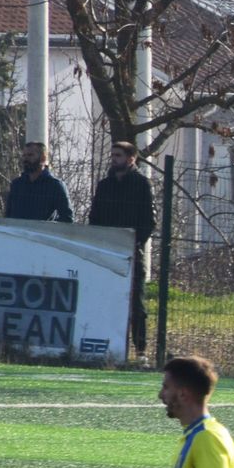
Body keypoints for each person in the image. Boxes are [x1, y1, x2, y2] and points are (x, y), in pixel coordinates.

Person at [88, 140, 157, 359]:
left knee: (136, 304)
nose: (114, 159)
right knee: (105, 299)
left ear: (131, 158)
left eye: (118, 155)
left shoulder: (141, 184)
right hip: (106, 250)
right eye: (113, 155)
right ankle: (105, 347)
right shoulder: (104, 186)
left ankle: (140, 351)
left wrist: (134, 242)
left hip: (130, 252)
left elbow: (149, 221)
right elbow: (95, 218)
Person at [4, 141, 73, 223]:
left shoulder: (55, 186)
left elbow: (67, 218)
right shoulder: (17, 185)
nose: (25, 159)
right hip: (17, 234)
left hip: (41, 234)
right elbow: (8, 217)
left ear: (43, 158)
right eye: (24, 155)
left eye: (30, 155)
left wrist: (48, 228)